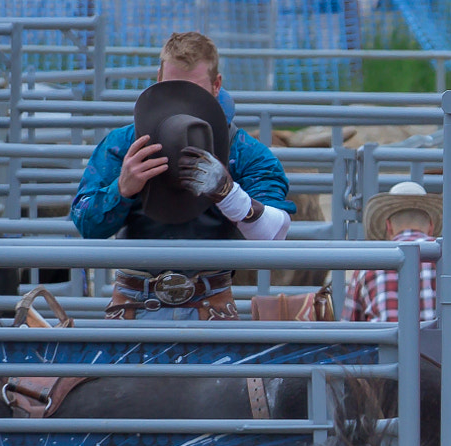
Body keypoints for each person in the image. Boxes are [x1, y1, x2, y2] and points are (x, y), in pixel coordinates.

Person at [70, 31, 294, 320]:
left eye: (193, 91)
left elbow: (274, 236)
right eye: (172, 89)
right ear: (158, 80)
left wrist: (228, 193)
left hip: (210, 303)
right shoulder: (125, 144)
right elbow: (86, 225)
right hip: (134, 303)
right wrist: (121, 189)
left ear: (216, 86)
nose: (181, 102)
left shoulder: (245, 152)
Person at [344, 181, 440, 323]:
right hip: (445, 345)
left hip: (386, 345)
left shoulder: (367, 264)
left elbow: (348, 328)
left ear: (388, 226)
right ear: (431, 226)